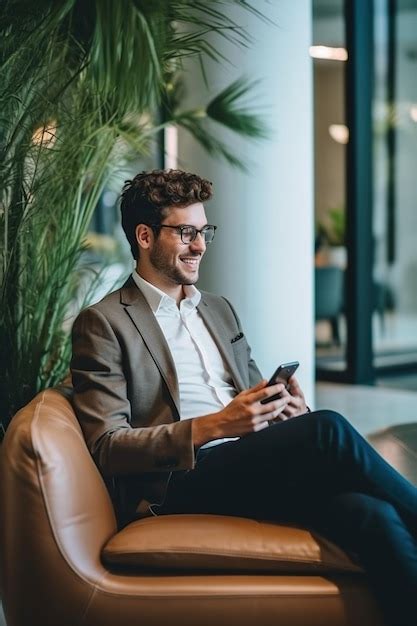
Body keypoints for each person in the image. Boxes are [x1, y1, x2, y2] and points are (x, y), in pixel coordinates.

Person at [71, 169, 417, 626]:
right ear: (144, 236)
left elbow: (252, 393)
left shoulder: (217, 308)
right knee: (328, 428)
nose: (200, 245)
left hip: (249, 464)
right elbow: (107, 446)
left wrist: (286, 411)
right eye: (186, 232)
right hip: (181, 480)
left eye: (204, 231)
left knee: (369, 514)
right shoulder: (105, 323)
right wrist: (216, 426)